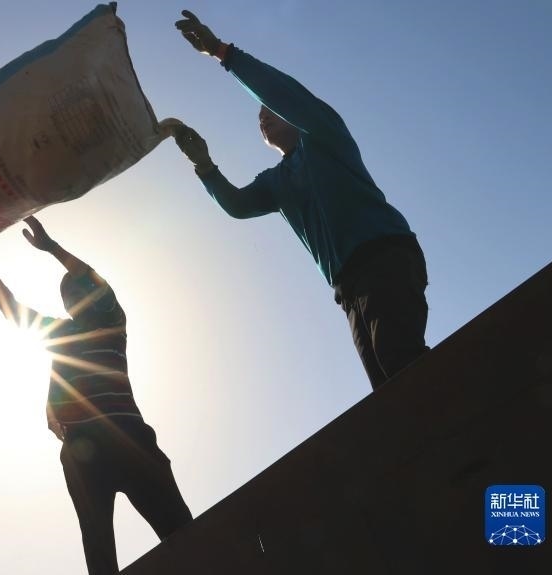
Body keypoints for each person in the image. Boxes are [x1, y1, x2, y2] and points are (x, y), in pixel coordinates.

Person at [171, 10, 430, 389]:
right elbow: (238, 205)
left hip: (384, 255)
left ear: (293, 115)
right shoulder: (276, 182)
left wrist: (222, 52)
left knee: (401, 360)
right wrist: (205, 166)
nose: (263, 116)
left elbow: (280, 92)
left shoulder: (324, 135)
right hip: (347, 289)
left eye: (270, 110)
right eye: (259, 117)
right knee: (388, 389)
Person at [0, 217, 192, 575]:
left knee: (184, 533)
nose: (75, 298)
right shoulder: (61, 335)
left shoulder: (112, 323)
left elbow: (92, 278)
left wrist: (52, 248)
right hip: (84, 448)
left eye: (81, 291)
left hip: (130, 439)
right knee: (98, 548)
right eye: (69, 296)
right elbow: (12, 310)